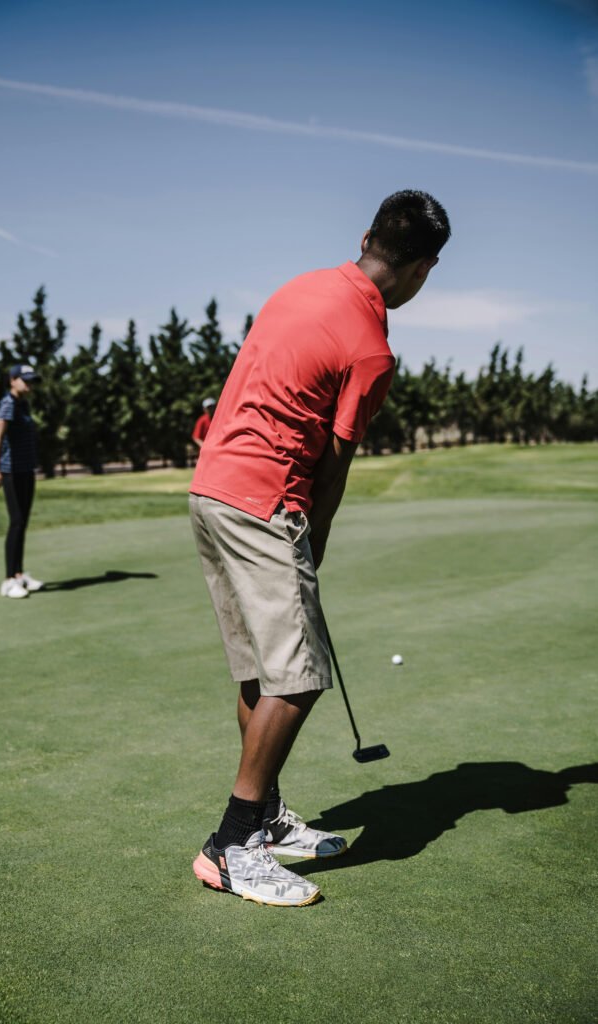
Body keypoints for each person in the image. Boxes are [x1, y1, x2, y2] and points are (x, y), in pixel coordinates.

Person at [189, 190, 451, 906]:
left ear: (366, 236)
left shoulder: (296, 287)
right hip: (264, 498)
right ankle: (235, 842)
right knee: (298, 677)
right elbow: (332, 463)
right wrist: (315, 544)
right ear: (424, 268)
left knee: (257, 669)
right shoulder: (372, 347)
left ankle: (266, 817)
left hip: (210, 488)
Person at [0, 363, 44, 599]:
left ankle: (19, 575)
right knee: (16, 521)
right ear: (12, 380)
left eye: (31, 380)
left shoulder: (23, 404)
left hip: (26, 470)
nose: (29, 384)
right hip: (10, 471)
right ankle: (9, 580)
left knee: (22, 523)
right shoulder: (8, 403)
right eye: (25, 380)